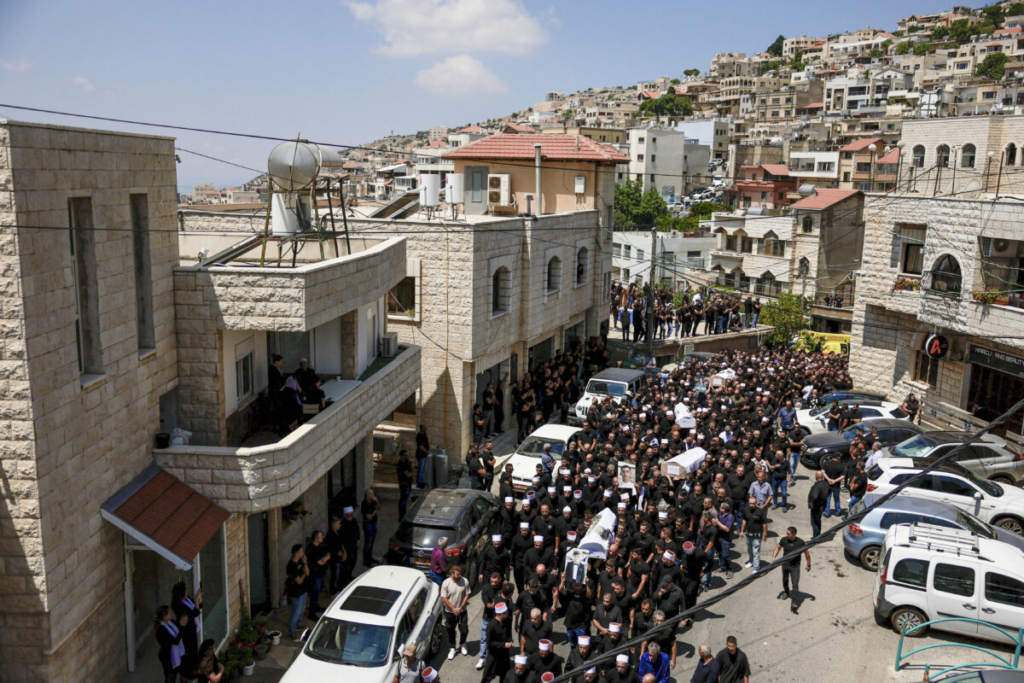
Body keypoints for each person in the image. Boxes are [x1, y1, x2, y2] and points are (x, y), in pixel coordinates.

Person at [770, 527, 811, 612]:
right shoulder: (784, 540)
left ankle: (794, 602)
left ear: (794, 535)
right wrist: (774, 557)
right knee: (785, 580)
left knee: (795, 583)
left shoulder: (800, 542)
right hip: (785, 565)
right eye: (787, 533)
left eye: (788, 534)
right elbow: (778, 547)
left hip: (795, 566)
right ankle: (786, 592)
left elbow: (806, 553)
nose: (787, 535)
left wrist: (808, 564)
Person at [441, 565, 471, 660]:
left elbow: (467, 595)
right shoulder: (446, 583)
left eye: (460, 574)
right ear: (452, 573)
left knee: (464, 629)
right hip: (450, 612)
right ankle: (452, 647)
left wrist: (460, 608)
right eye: (457, 574)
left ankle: (463, 643)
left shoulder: (465, 581)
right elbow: (444, 598)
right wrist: (454, 609)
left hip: (462, 611)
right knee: (450, 630)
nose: (459, 576)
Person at [481, 602, 514, 683]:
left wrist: (510, 641)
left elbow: (508, 634)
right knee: (487, 676)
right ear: (502, 614)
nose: (507, 613)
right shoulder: (491, 626)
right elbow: (490, 642)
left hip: (504, 655)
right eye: (506, 612)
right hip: (494, 656)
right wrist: (504, 645)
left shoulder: (506, 621)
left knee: (505, 676)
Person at [171, 581, 202, 659]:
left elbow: (197, 606)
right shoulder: (178, 606)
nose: (187, 590)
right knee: (191, 650)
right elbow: (194, 613)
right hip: (188, 630)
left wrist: (198, 600)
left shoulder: (187, 598)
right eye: (186, 590)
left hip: (193, 627)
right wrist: (197, 599)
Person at [155, 605, 186, 683]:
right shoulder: (161, 630)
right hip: (169, 657)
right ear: (164, 617)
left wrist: (181, 624)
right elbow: (175, 641)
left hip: (178, 653)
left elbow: (178, 628)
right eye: (169, 613)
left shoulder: (171, 622)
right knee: (171, 677)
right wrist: (182, 627)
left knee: (183, 672)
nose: (170, 613)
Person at [285, 543, 309, 640]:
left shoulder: (300, 561)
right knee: (296, 612)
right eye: (301, 551)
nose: (303, 552)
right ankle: (292, 631)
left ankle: (298, 624)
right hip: (296, 592)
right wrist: (303, 574)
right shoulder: (291, 566)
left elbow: (308, 573)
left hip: (303, 590)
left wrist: (305, 563)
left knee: (302, 609)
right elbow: (299, 581)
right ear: (297, 553)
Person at [305, 531, 331, 620]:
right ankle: (311, 613)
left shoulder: (320, 546)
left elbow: (327, 554)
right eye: (321, 536)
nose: (322, 537)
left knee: (317, 592)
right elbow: (321, 562)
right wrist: (325, 558)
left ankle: (316, 607)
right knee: (314, 593)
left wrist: (325, 558)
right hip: (314, 575)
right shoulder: (311, 549)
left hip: (320, 574)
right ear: (316, 539)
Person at [739, 494, 767, 572]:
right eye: (750, 503)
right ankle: (751, 561)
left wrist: (765, 534)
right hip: (748, 535)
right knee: (750, 550)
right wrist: (742, 531)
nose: (751, 505)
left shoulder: (760, 511)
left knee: (756, 552)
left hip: (757, 536)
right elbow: (744, 520)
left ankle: (756, 568)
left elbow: (764, 523)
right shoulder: (745, 510)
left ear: (756, 503)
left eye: (753, 503)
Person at [325, 515, 347, 595]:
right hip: (334, 559)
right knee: (335, 576)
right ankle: (333, 592)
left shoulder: (338, 533)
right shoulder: (330, 535)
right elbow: (333, 549)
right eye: (338, 524)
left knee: (340, 573)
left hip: (339, 558)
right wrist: (342, 554)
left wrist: (344, 553)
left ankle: (340, 587)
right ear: (334, 526)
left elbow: (341, 544)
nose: (340, 525)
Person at [807, 471, 829, 538]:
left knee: (814, 521)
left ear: (817, 476)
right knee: (818, 520)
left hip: (816, 506)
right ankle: (818, 535)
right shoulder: (826, 484)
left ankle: (816, 537)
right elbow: (829, 492)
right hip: (822, 505)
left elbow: (814, 496)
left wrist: (812, 503)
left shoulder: (817, 485)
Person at [361, 488, 380, 567]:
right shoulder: (364, 504)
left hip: (374, 524)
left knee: (372, 542)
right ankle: (366, 561)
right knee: (368, 543)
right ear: (367, 495)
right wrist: (375, 511)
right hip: (368, 525)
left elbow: (378, 507)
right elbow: (369, 517)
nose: (373, 495)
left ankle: (370, 557)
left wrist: (377, 501)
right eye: (371, 494)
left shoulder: (373, 501)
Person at [397, 450, 414, 520]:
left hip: (408, 484)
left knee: (405, 500)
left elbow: (412, 469)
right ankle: (401, 516)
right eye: (406, 455)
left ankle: (404, 514)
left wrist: (411, 463)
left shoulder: (407, 462)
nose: (407, 456)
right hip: (404, 484)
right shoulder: (401, 464)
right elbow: (408, 474)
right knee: (403, 500)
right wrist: (412, 472)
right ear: (402, 456)